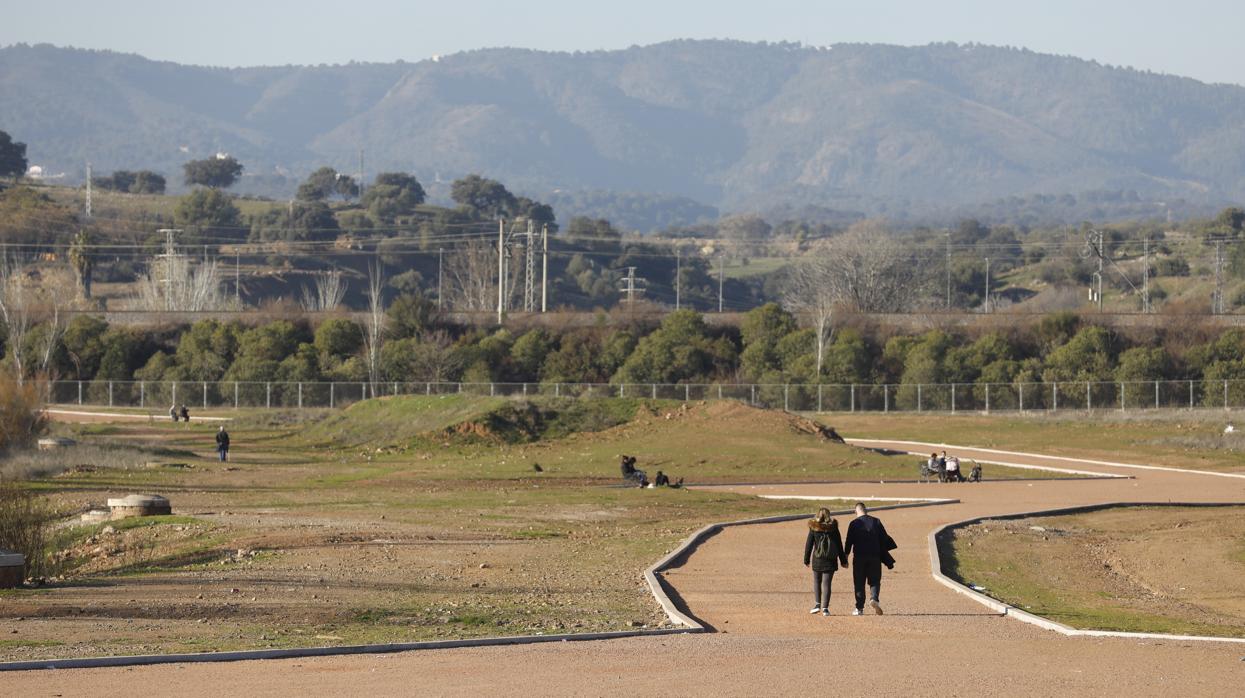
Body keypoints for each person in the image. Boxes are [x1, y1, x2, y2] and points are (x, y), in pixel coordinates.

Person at [844, 502, 896, 616]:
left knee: (859, 582)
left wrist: (845, 557)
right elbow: (884, 538)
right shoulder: (876, 521)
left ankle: (859, 608)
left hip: (859, 557)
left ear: (855, 511)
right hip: (874, 556)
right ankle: (874, 598)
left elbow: (848, 542)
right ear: (865, 510)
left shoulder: (853, 523)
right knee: (875, 580)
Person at [803, 507, 848, 616]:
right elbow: (839, 545)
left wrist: (806, 559)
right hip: (830, 559)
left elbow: (809, 544)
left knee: (817, 581)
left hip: (817, 559)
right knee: (827, 583)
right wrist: (843, 560)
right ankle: (825, 609)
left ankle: (817, 605)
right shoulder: (833, 528)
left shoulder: (814, 527)